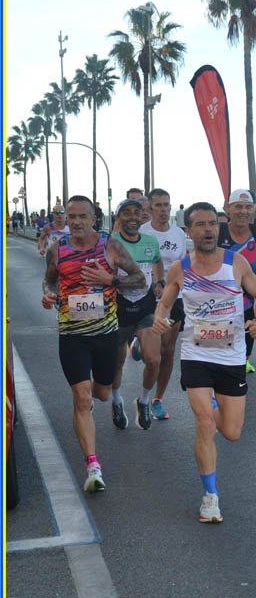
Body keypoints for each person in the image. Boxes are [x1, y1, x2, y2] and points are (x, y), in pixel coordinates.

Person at [152, 202, 256, 523]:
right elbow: (164, 304)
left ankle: (215, 405)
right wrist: (159, 319)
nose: (207, 230)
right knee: (204, 423)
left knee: (231, 431)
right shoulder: (181, 268)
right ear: (188, 232)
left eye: (212, 224)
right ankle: (210, 496)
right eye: (200, 224)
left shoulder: (236, 263)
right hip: (196, 354)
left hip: (231, 355)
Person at [41, 195, 145, 492]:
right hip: (72, 336)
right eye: (71, 216)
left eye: (81, 216)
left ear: (93, 219)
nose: (75, 222)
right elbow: (49, 280)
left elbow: (140, 280)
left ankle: (109, 398)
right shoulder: (57, 249)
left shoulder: (109, 246)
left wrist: (109, 279)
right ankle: (92, 464)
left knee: (101, 393)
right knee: (82, 397)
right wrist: (48, 295)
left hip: (105, 336)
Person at [110, 199, 163, 430]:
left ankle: (143, 401)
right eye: (126, 213)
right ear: (118, 217)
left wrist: (160, 281)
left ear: (143, 216)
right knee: (117, 361)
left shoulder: (151, 241)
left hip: (145, 308)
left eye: (136, 213)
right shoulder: (111, 243)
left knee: (154, 359)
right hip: (118, 309)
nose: (132, 217)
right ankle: (116, 400)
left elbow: (157, 261)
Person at [217, 188, 256, 374]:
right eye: (238, 207)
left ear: (253, 208)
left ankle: (239, 370)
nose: (243, 211)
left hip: (248, 301)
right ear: (228, 208)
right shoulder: (218, 232)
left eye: (247, 207)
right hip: (220, 302)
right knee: (218, 353)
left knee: (242, 355)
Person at [140, 187, 187, 419]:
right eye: (158, 205)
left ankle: (157, 399)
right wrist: (153, 284)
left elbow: (184, 264)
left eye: (166, 205)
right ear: (149, 208)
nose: (163, 209)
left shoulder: (178, 233)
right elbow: (136, 264)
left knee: (168, 350)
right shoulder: (142, 232)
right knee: (154, 353)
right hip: (148, 296)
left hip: (175, 297)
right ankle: (145, 396)